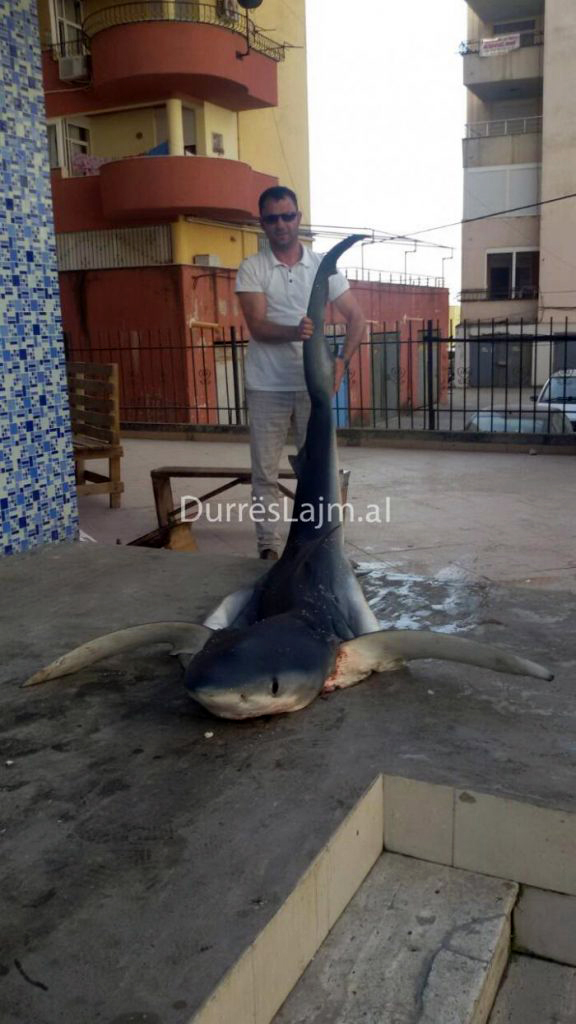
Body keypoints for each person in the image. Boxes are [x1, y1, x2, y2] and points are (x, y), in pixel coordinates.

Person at [235, 185, 366, 559]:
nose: (281, 224)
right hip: (267, 386)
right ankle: (269, 548)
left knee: (322, 469)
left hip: (314, 389)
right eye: (272, 218)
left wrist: (341, 362)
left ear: (299, 217)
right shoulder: (253, 268)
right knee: (265, 473)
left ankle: (324, 545)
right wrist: (295, 331)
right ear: (262, 222)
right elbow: (258, 326)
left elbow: (358, 319)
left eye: (287, 216)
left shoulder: (321, 268)